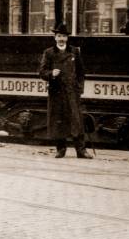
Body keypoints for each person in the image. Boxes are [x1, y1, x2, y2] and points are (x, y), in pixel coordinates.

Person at [38, 23, 91, 158]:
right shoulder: (48, 53)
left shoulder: (74, 51)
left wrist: (79, 88)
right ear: (55, 38)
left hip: (72, 91)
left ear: (67, 38)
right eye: (59, 36)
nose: (61, 39)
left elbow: (81, 72)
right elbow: (42, 72)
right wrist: (51, 73)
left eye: (64, 36)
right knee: (58, 120)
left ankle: (81, 150)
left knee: (76, 120)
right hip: (56, 92)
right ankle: (61, 149)